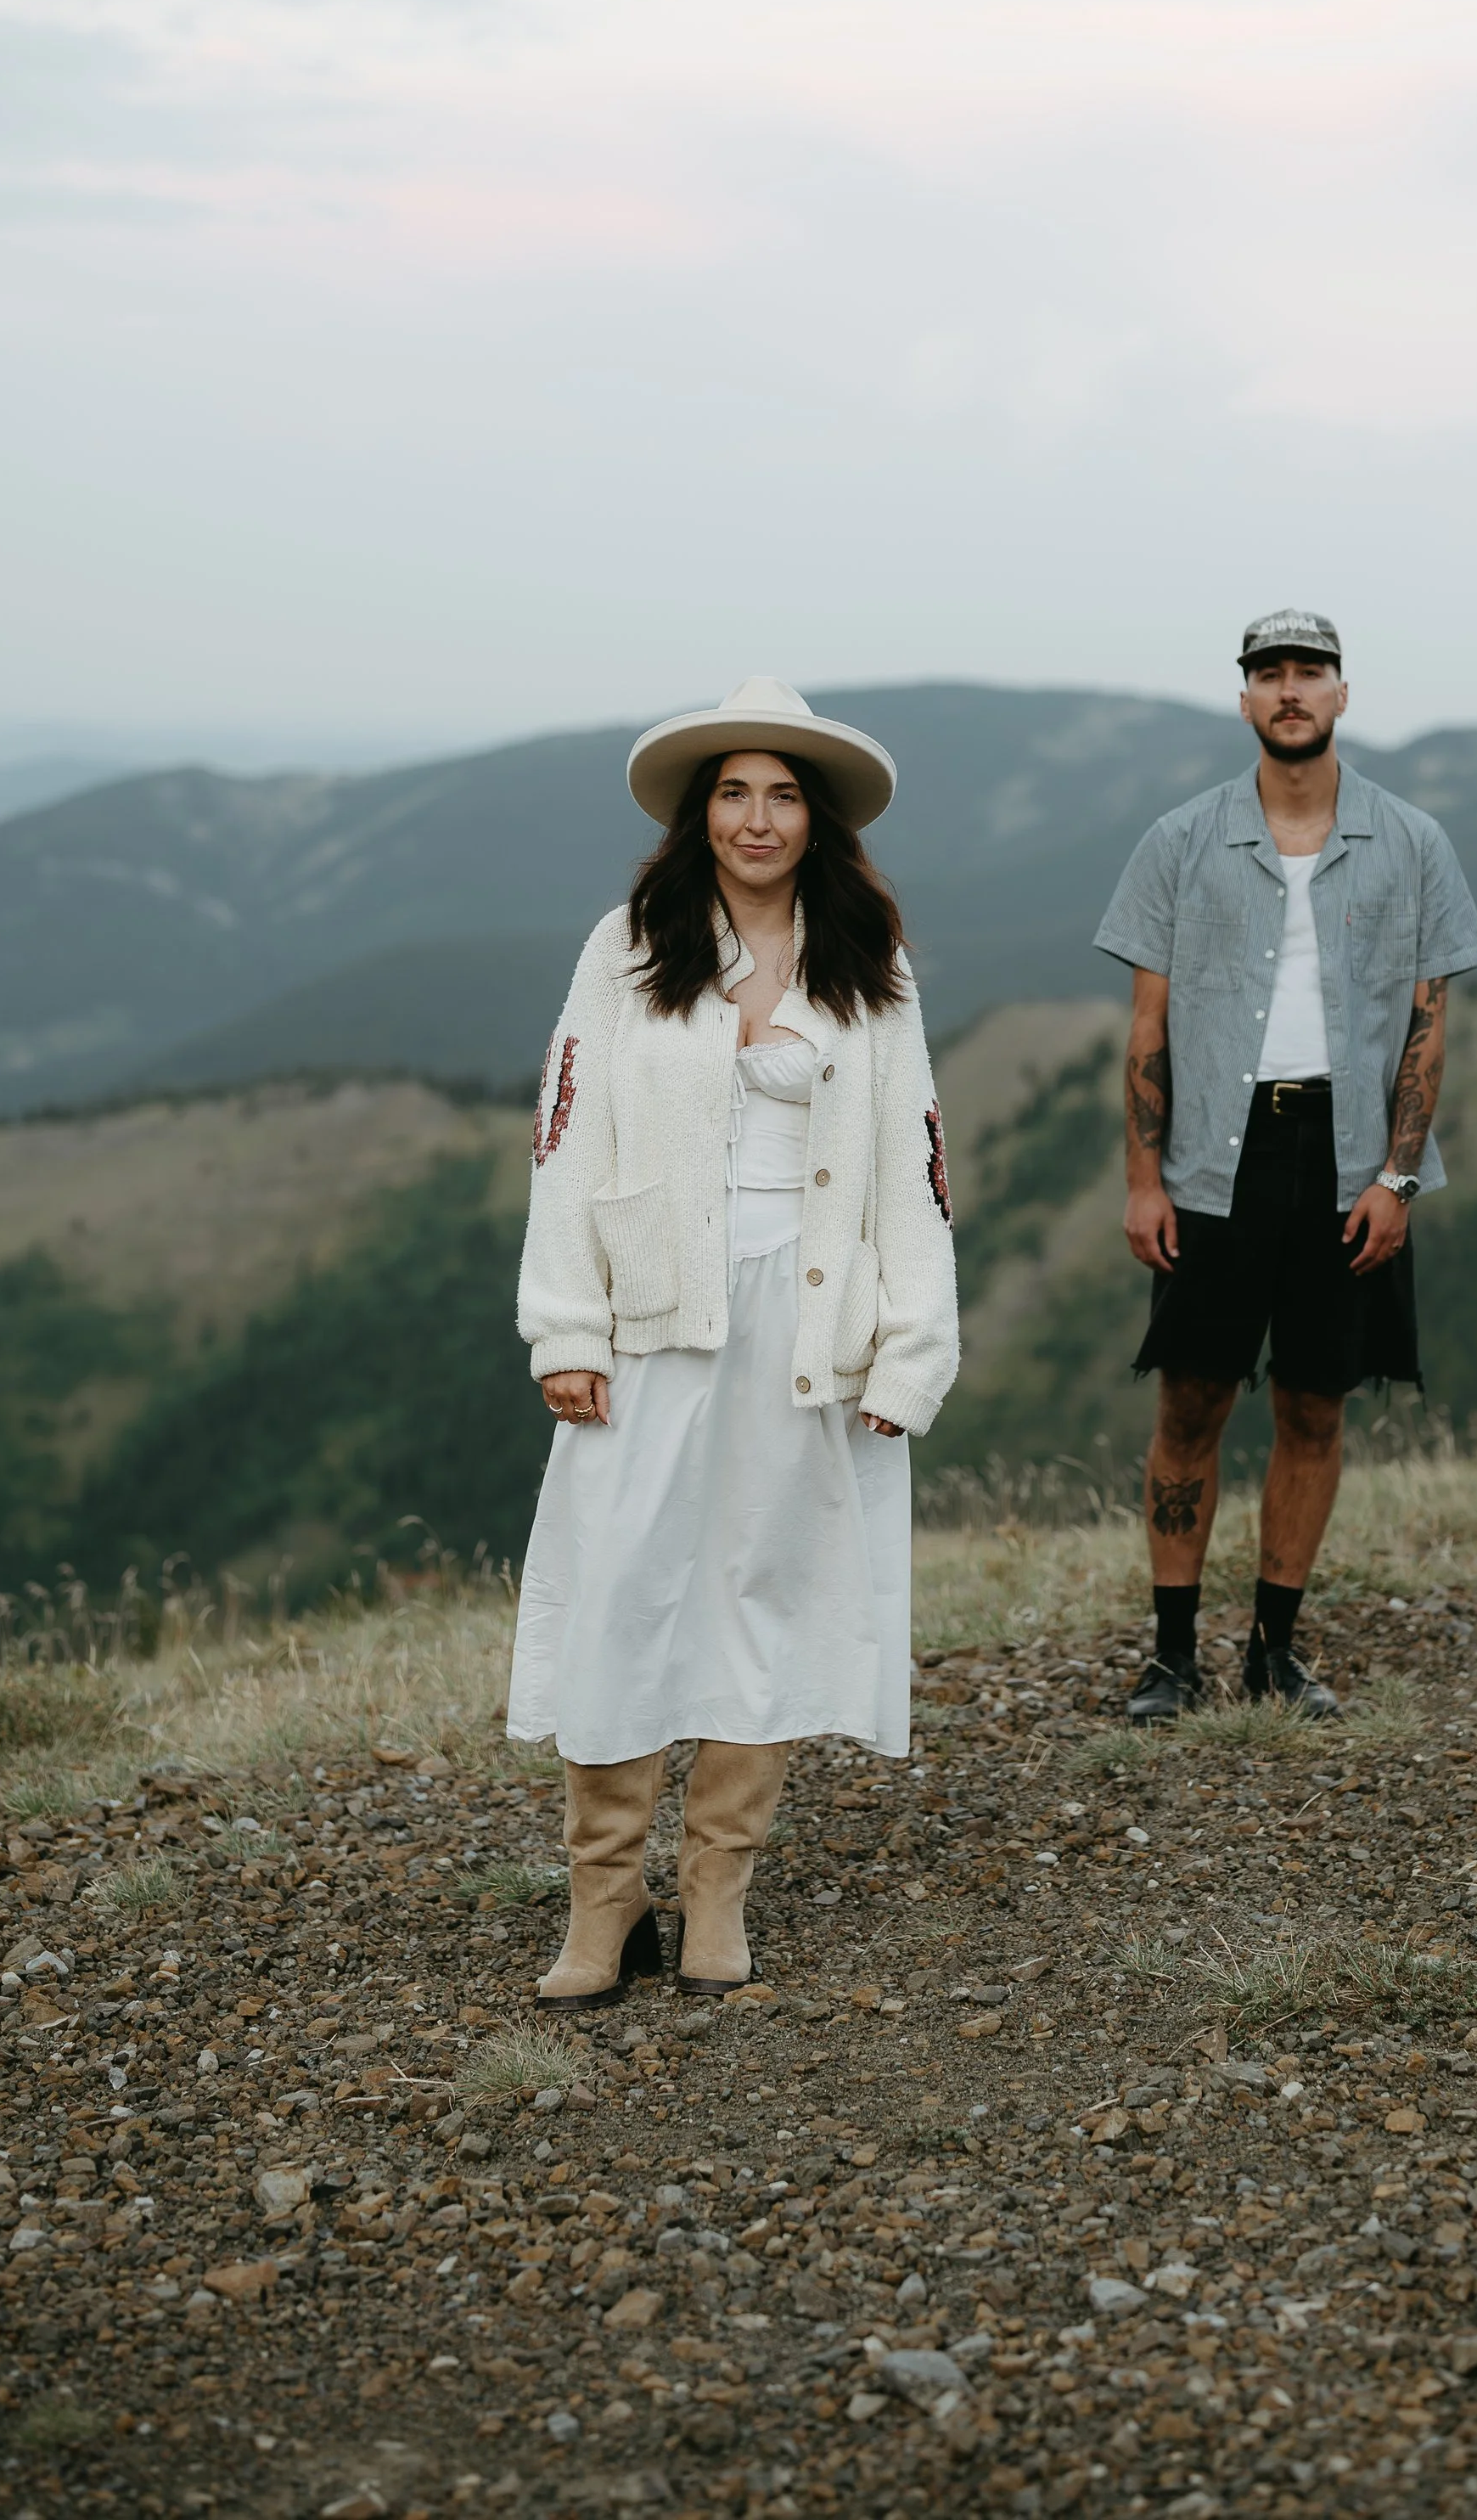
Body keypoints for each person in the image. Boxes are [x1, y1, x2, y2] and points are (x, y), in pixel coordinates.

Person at [506, 675, 958, 2005]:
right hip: (653, 1305)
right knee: (624, 1584)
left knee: (763, 1583)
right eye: (733, 792)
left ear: (814, 820)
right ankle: (604, 1903)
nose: (756, 818)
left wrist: (909, 1347)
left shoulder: (869, 962)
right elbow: (564, 1134)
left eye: (780, 795)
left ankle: (717, 1891)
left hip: (805, 1312)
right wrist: (564, 1327)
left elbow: (913, 1164)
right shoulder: (629, 946)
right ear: (700, 813)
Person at [1094, 610, 1477, 1723]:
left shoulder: (1411, 841)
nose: (1289, 689)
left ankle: (1275, 1646)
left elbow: (1427, 1025)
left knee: (1318, 1403)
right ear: (1244, 701)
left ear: (1342, 693)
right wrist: (1142, 1176)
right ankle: (1174, 1656)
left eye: (1308, 670)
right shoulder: (1181, 840)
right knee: (1191, 1399)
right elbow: (1145, 1026)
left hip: (1347, 1156)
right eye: (1268, 673)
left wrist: (1398, 1179)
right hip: (1217, 1155)